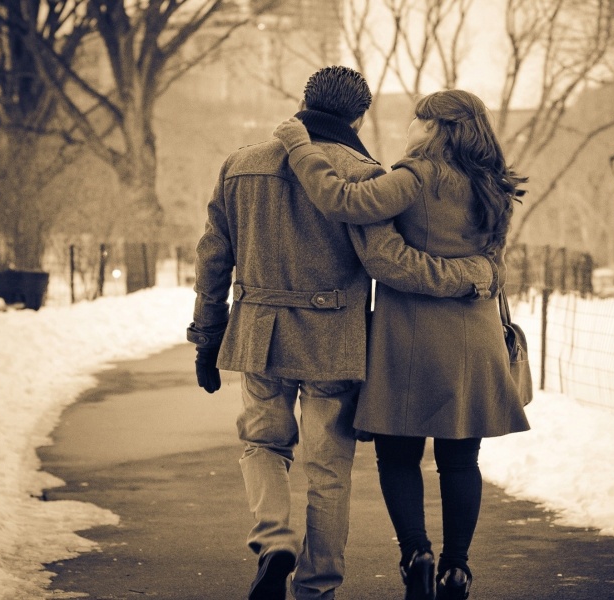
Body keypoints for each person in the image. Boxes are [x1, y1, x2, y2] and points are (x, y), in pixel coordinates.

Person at [187, 67, 497, 600]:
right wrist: (474, 273)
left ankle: (274, 537)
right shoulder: (366, 172)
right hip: (334, 338)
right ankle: (318, 585)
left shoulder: (240, 165)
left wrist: (207, 333)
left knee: (261, 442)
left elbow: (214, 256)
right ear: (359, 116)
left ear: (305, 101)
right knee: (329, 469)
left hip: (260, 331)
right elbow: (386, 261)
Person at [274, 89, 531, 600]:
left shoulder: (415, 177)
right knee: (462, 461)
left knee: (398, 457)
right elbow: (492, 263)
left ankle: (417, 552)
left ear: (435, 127)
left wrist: (299, 146)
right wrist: (473, 275)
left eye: (418, 118)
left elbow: (343, 201)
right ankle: (457, 569)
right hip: (474, 338)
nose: (411, 126)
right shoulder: (492, 184)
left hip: (409, 338)